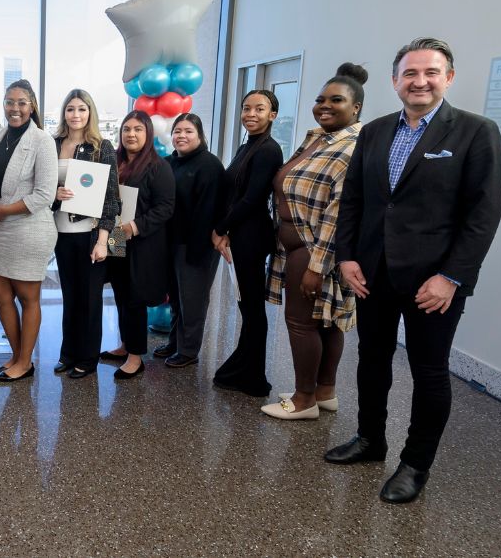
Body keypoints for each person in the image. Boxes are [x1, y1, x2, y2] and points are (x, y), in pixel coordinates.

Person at [326, 38, 501, 504]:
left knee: (429, 372)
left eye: (430, 72)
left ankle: (415, 464)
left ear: (448, 77)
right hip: (373, 273)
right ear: (395, 81)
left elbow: (482, 215)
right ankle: (370, 440)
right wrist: (347, 256)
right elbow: (356, 201)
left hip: (434, 282)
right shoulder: (375, 132)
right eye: (409, 73)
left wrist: (452, 277)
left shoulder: (475, 132)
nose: (419, 81)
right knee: (371, 359)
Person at [261, 64, 367, 420]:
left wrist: (316, 266)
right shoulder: (317, 137)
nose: (324, 105)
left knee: (301, 322)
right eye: (321, 99)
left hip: (313, 248)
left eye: (336, 100)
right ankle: (324, 391)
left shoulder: (352, 148)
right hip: (299, 245)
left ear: (356, 108)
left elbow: (338, 214)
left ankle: (304, 400)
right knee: (326, 320)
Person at [211, 90, 284, 397]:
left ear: (273, 115)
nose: (251, 113)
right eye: (246, 108)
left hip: (251, 237)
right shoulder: (248, 146)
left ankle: (254, 377)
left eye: (259, 108)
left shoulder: (268, 149)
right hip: (240, 234)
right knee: (247, 306)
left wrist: (220, 228)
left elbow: (252, 199)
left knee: (252, 308)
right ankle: (244, 367)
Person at [0, 79, 57, 383]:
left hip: (29, 228)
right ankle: (17, 356)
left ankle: (25, 362)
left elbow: (44, 195)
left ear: (32, 106)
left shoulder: (42, 140)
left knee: (28, 297)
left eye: (21, 103)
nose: (15, 108)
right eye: (9, 102)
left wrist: (5, 210)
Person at [99, 110, 175, 379]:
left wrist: (135, 227)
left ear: (148, 134)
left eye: (138, 129)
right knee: (120, 293)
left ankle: (135, 357)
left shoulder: (158, 166)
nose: (131, 134)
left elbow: (166, 208)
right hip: (118, 236)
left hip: (142, 241)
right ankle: (124, 345)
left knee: (134, 297)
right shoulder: (115, 163)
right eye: (127, 129)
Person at [50, 89, 119, 379]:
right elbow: (40, 188)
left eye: (81, 109)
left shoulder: (102, 147)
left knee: (90, 299)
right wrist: (54, 194)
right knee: (70, 296)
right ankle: (68, 353)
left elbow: (112, 198)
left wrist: (104, 240)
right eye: (70, 109)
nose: (75, 115)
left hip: (90, 234)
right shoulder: (51, 144)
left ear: (90, 112)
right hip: (60, 233)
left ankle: (87, 358)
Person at [152, 113, 226, 368]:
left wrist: (197, 251)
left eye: (188, 131)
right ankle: (174, 342)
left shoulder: (210, 165)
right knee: (175, 297)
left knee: (192, 300)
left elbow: (209, 211)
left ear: (200, 135)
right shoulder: (169, 162)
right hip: (171, 243)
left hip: (196, 246)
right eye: (177, 131)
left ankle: (189, 350)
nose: (181, 136)